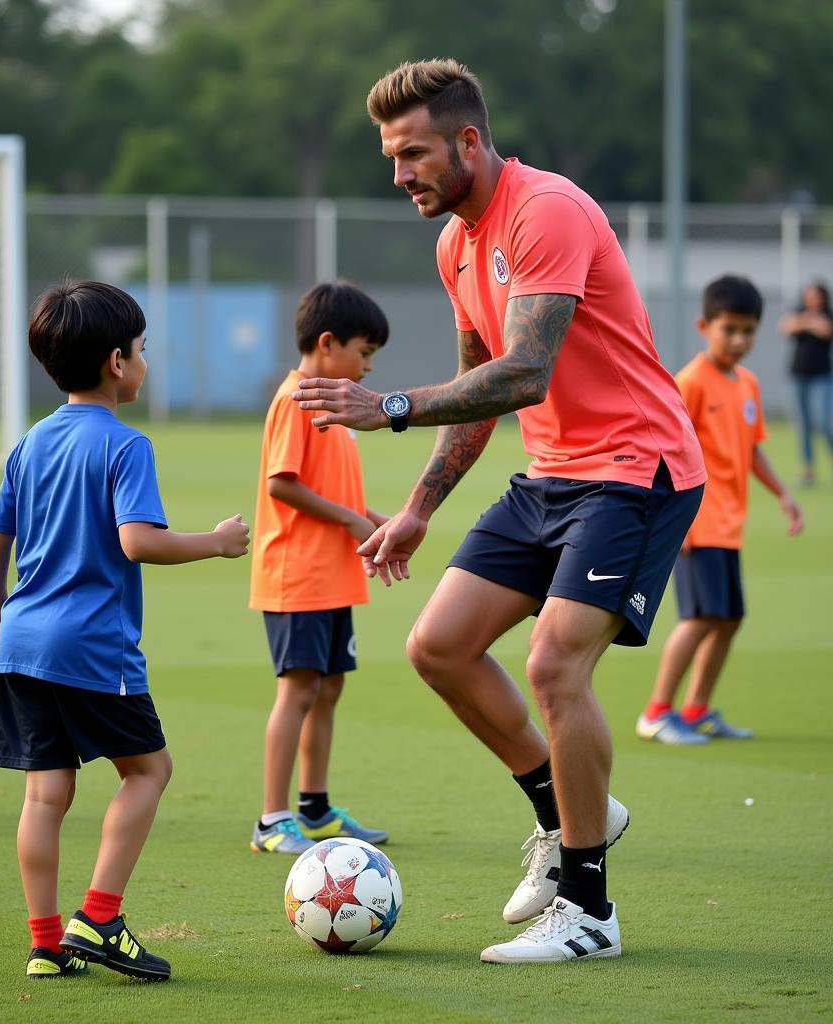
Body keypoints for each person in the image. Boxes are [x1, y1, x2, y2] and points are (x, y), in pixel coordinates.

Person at [293, 59, 707, 964]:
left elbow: (525, 370)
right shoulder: (455, 244)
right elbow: (485, 395)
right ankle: (565, 817)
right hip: (554, 476)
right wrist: (416, 510)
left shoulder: (546, 209)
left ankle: (590, 912)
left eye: (414, 154)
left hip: (638, 470)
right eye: (391, 157)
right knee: (437, 646)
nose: (400, 174)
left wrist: (391, 407)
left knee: (556, 662)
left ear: (469, 142)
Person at [0, 281, 249, 980]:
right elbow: (138, 542)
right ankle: (99, 916)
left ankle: (45, 944)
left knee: (45, 794)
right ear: (116, 362)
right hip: (90, 645)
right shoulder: (126, 446)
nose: (145, 360)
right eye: (143, 349)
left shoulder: (30, 443)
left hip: (21, 641)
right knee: (149, 770)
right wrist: (216, 543)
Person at [249, 281, 390, 854]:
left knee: (328, 688)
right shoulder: (296, 399)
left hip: (331, 574)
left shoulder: (330, 405)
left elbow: (334, 491)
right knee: (299, 691)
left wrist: (377, 522)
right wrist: (354, 524)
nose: (367, 366)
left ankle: (314, 808)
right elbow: (282, 485)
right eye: (364, 352)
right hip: (297, 574)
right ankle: (271, 819)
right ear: (327, 344)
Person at [638, 276, 804, 745]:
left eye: (748, 331)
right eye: (729, 329)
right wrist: (676, 522)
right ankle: (656, 712)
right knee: (700, 619)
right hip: (699, 523)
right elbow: (663, 452)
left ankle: (696, 710)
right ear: (704, 325)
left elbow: (751, 450)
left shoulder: (747, 383)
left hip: (730, 526)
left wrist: (783, 494)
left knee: (729, 619)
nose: (738, 340)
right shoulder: (689, 383)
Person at [779, 281, 833, 485]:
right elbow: (786, 327)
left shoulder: (828, 313)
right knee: (803, 425)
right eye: (809, 296)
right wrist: (809, 322)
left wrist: (804, 323)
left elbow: (825, 330)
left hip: (822, 377)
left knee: (825, 422)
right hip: (798, 375)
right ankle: (808, 470)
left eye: (815, 296)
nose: (812, 300)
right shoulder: (800, 311)